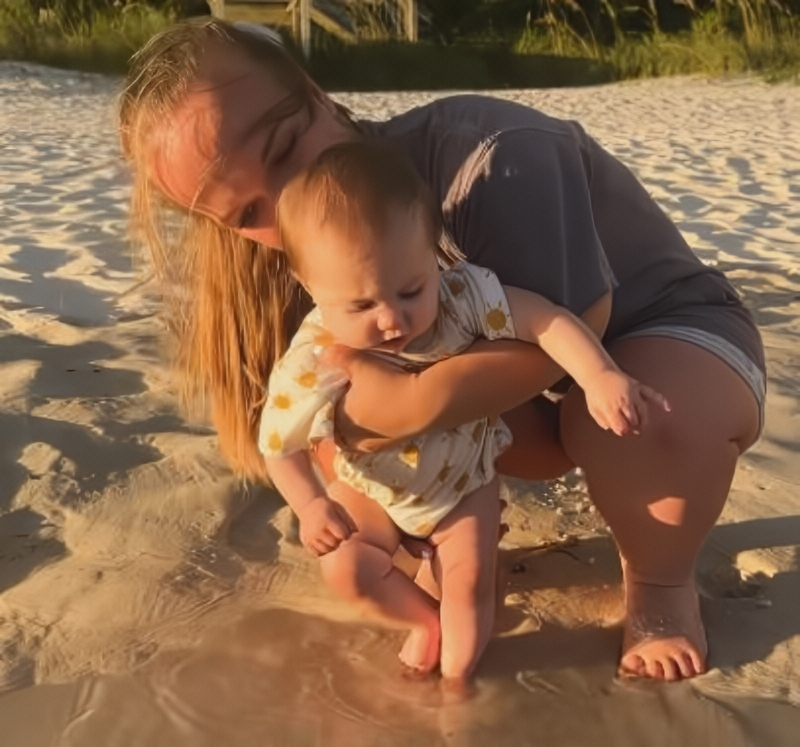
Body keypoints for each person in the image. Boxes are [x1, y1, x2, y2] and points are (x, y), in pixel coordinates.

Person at [118, 19, 765, 681]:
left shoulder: (491, 156)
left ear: (316, 92)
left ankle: (660, 583)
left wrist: (403, 407)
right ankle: (434, 539)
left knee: (652, 427)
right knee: (332, 413)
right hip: (516, 401)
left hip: (646, 340)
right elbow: (302, 414)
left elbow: (575, 320)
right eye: (250, 213)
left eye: (286, 148)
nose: (287, 201)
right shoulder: (308, 246)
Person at [260, 141, 669, 683]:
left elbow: (544, 319)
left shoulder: (462, 297)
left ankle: (458, 683)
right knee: (346, 569)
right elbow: (278, 443)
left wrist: (599, 376)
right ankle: (425, 623)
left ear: (432, 254)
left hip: (465, 481)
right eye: (360, 305)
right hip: (373, 489)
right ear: (310, 286)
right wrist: (311, 504)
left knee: (470, 582)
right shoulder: (313, 356)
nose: (392, 319)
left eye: (411, 290)